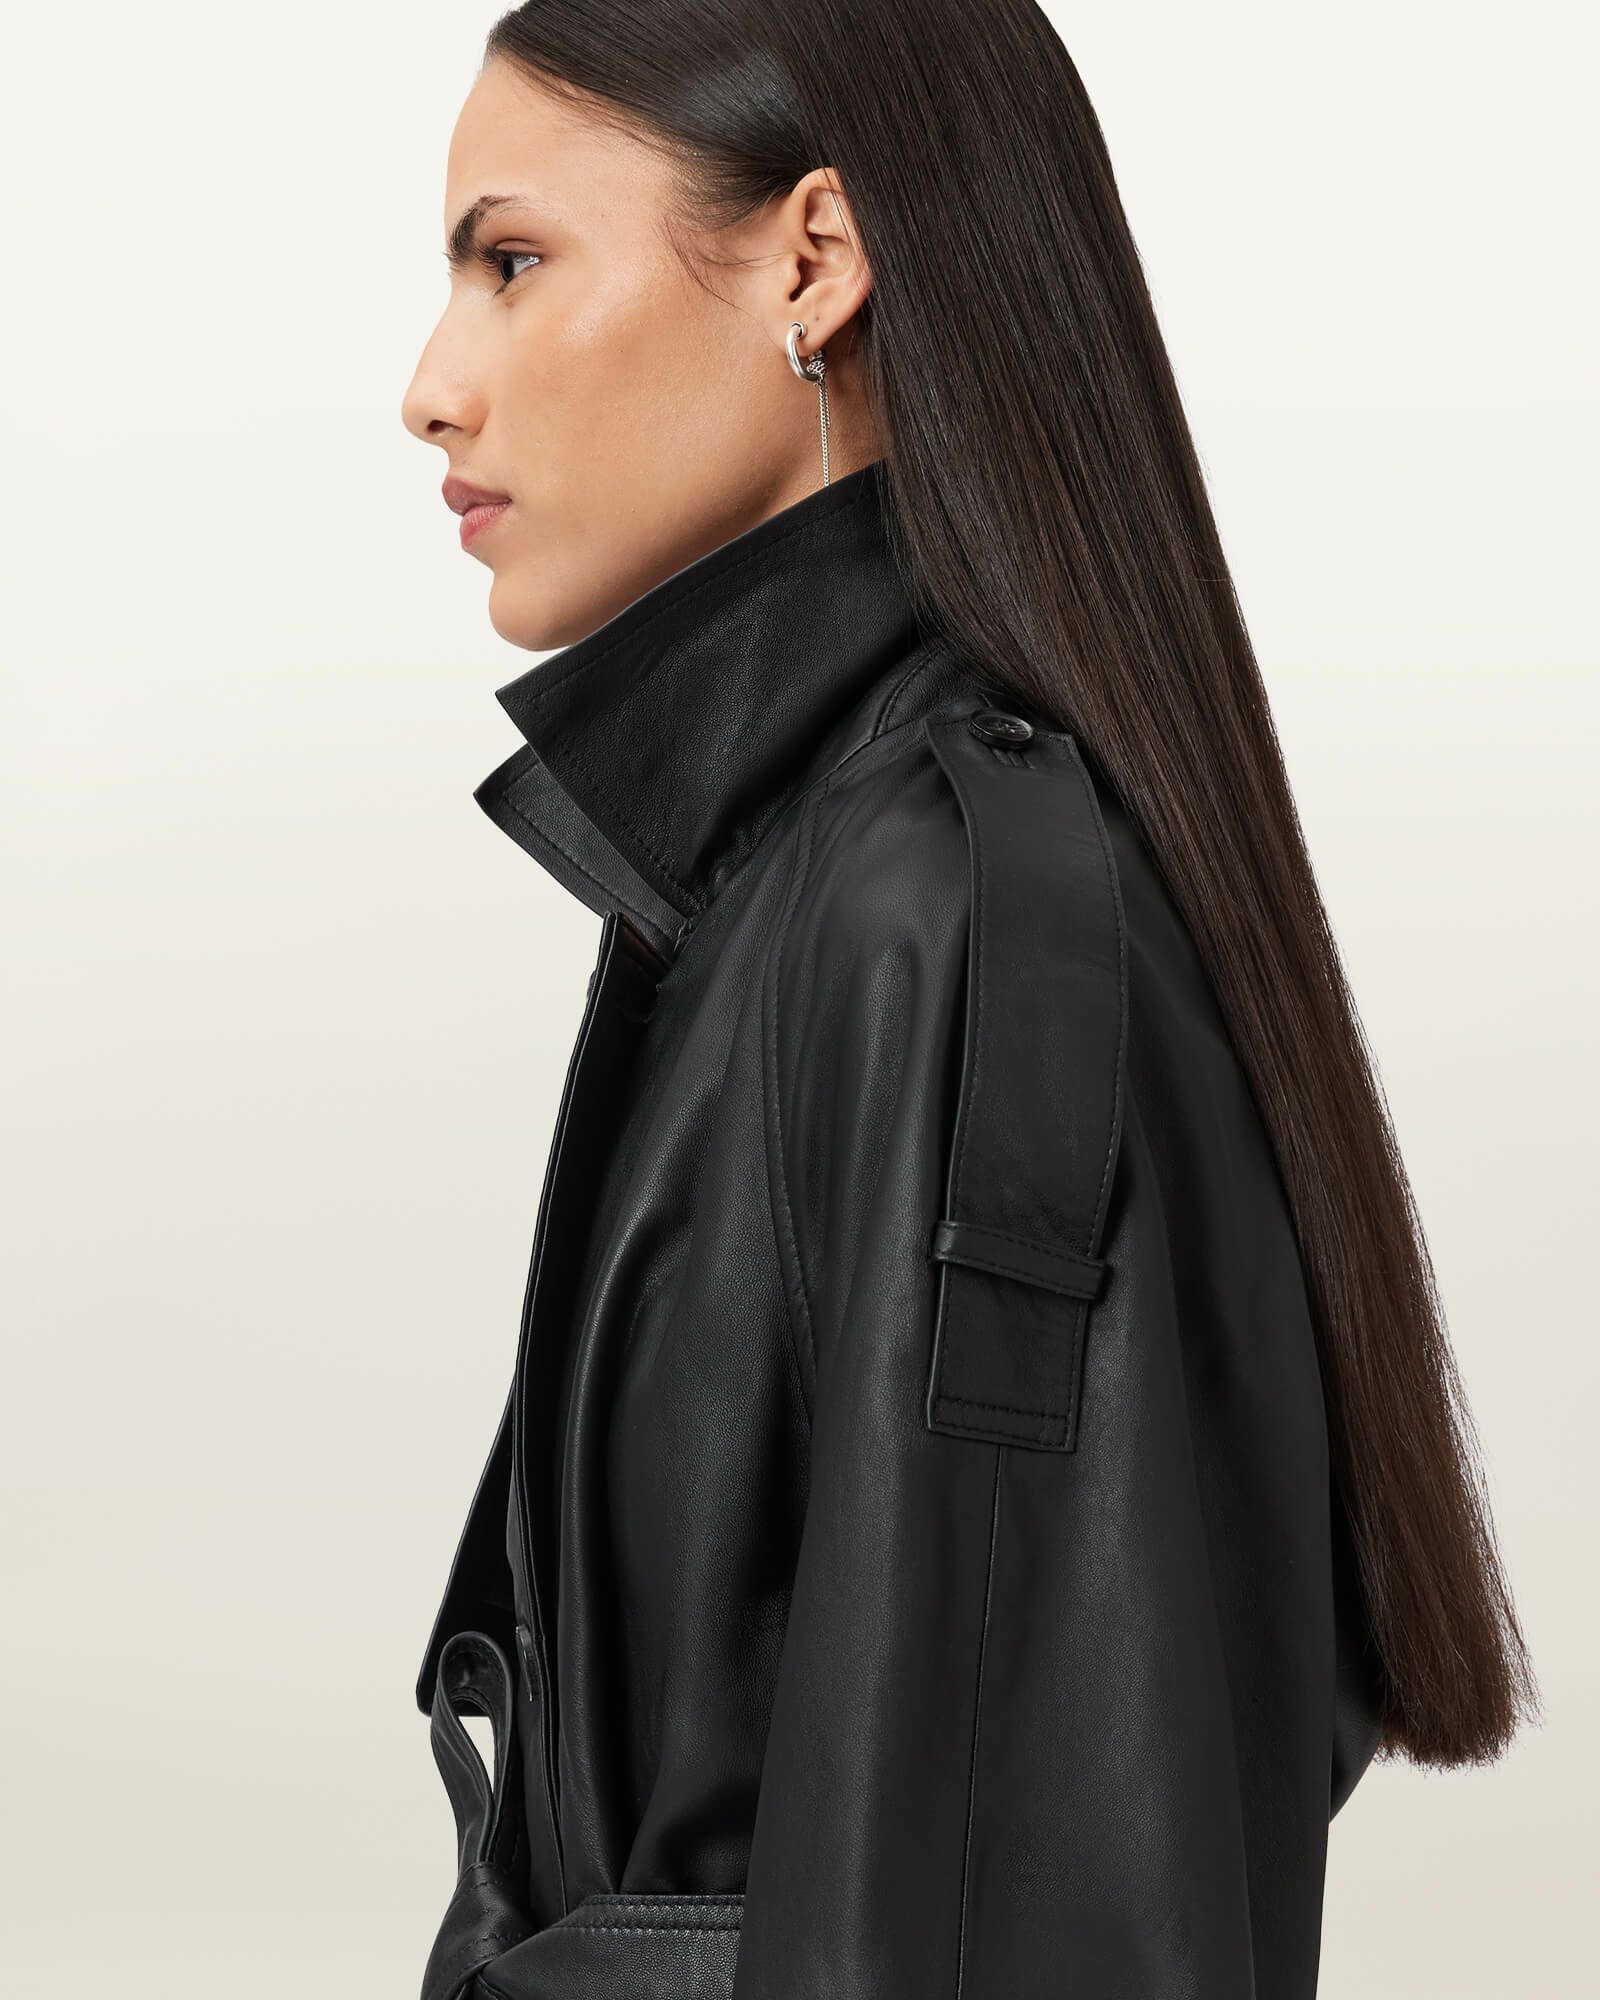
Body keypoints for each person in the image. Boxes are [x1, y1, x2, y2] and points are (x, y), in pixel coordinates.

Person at [398, 6, 1538, 1997]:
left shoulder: (942, 914)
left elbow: (1051, 1904)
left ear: (814, 264)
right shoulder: (789, 876)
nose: (431, 389)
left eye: (512, 260)